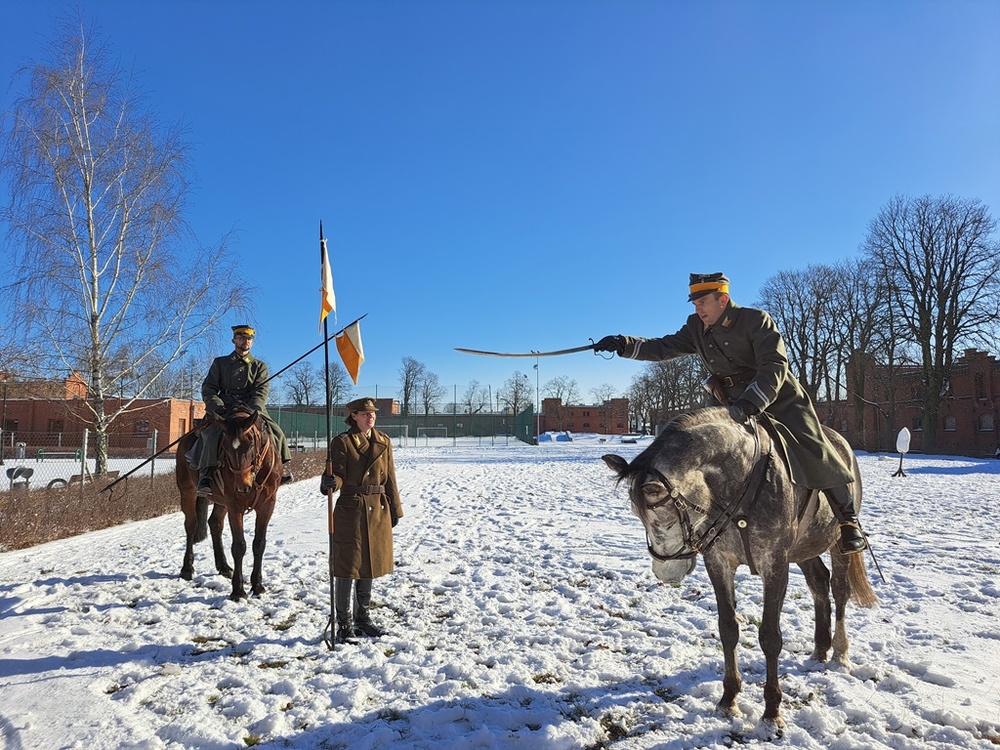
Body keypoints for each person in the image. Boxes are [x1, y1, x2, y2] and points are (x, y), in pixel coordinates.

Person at [594, 272, 867, 554]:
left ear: (722, 299)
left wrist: (751, 403)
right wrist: (623, 344)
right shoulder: (695, 327)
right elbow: (664, 347)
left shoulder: (755, 320)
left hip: (777, 399)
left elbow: (774, 365)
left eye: (702, 302)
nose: (697, 309)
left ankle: (848, 522)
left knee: (813, 445)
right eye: (694, 304)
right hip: (728, 404)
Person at [319, 397, 404, 643]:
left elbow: (390, 478)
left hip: (378, 509)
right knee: (348, 566)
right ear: (353, 416)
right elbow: (339, 476)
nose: (371, 417)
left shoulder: (383, 441)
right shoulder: (343, 442)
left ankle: (363, 619)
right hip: (351, 510)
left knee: (370, 563)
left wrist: (395, 509)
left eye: (373, 413)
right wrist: (331, 483)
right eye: (365, 414)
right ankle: (344, 623)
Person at [188, 324, 293, 496]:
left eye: (249, 338)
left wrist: (251, 412)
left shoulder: (260, 366)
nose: (246, 341)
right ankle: (206, 474)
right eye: (242, 338)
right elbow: (209, 388)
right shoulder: (220, 363)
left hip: (250, 409)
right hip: (225, 408)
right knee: (211, 435)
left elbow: (261, 391)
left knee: (276, 432)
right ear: (234, 340)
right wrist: (218, 408)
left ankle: (281, 469)